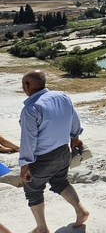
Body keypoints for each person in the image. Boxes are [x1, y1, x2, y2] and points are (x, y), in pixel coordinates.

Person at [19, 70, 89, 233]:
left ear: (27, 85)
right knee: (60, 181)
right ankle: (81, 211)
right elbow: (74, 119)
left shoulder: (31, 108)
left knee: (33, 190)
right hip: (63, 151)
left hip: (42, 159)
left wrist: (24, 165)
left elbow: (28, 140)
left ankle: (42, 228)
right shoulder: (62, 96)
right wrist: (75, 137)